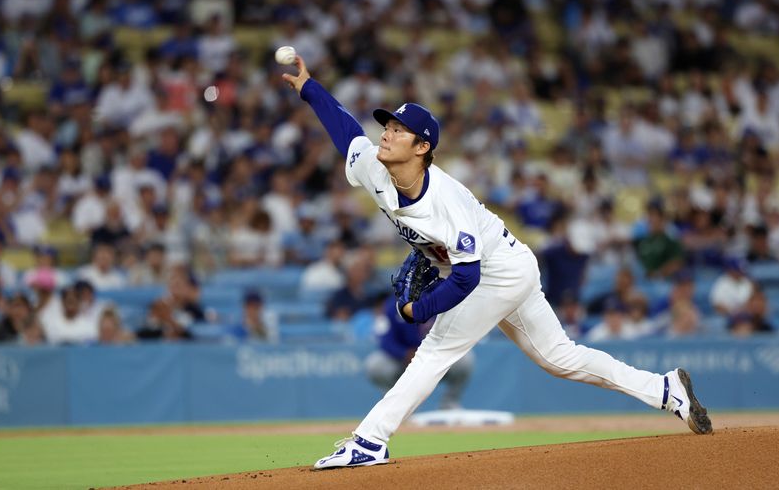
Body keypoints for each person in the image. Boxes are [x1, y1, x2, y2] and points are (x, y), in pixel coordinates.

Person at [281, 55, 712, 470]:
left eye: (398, 129)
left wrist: (420, 309)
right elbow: (345, 130)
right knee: (559, 358)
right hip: (506, 264)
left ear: (423, 146)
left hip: (498, 270)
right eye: (388, 125)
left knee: (436, 349)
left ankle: (369, 441)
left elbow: (469, 277)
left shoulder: (444, 202)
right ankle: (664, 389)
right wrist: (309, 88)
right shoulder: (374, 168)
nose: (387, 134)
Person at [366, 296, 473, 410]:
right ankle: (396, 406)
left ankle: (449, 404)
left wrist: (430, 353)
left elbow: (453, 335)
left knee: (464, 359)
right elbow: (386, 341)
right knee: (375, 364)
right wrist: (404, 353)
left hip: (434, 357)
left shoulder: (443, 297)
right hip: (403, 361)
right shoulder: (393, 304)